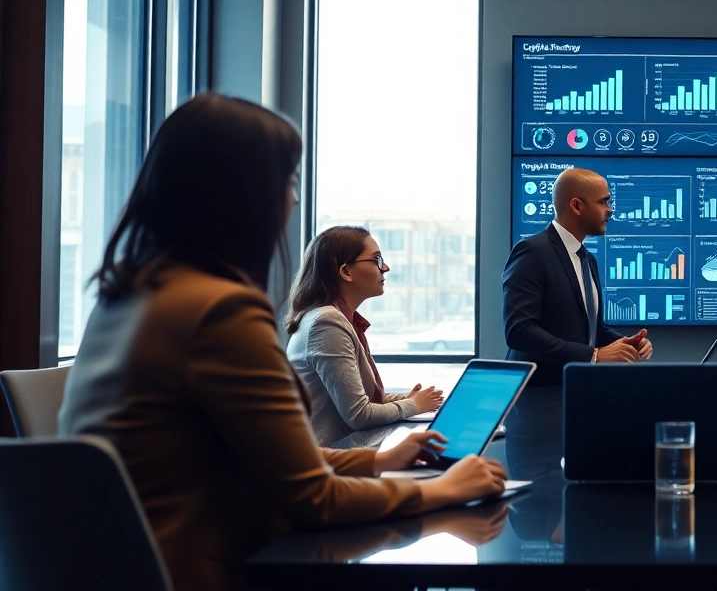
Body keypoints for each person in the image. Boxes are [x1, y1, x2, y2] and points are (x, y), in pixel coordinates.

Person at [58, 94, 509, 591]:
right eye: (288, 181)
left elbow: (268, 456)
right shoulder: (219, 311)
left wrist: (378, 460)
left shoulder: (127, 297)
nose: (293, 199)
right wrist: (445, 490)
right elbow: (314, 500)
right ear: (243, 195)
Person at [286, 226, 444, 446]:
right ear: (346, 272)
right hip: (329, 466)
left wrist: (409, 399)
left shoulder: (336, 318)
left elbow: (362, 400)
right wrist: (414, 405)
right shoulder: (327, 322)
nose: (386, 268)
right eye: (376, 260)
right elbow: (359, 415)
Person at [503, 167, 653, 386]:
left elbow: (592, 330)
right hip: (536, 397)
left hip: (576, 390)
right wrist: (594, 356)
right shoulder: (533, 252)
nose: (610, 210)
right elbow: (519, 331)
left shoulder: (587, 259)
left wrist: (625, 344)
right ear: (576, 206)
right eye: (603, 202)